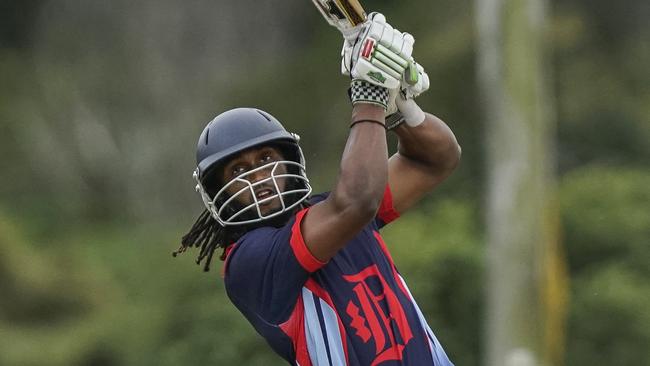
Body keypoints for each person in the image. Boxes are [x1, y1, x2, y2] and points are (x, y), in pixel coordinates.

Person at [175, 13, 460, 366]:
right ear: (216, 193)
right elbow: (357, 201)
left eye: (266, 158)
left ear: (291, 161)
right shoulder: (247, 261)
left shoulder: (337, 213)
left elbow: (435, 160)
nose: (257, 176)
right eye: (238, 170)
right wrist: (368, 93)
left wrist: (399, 104)